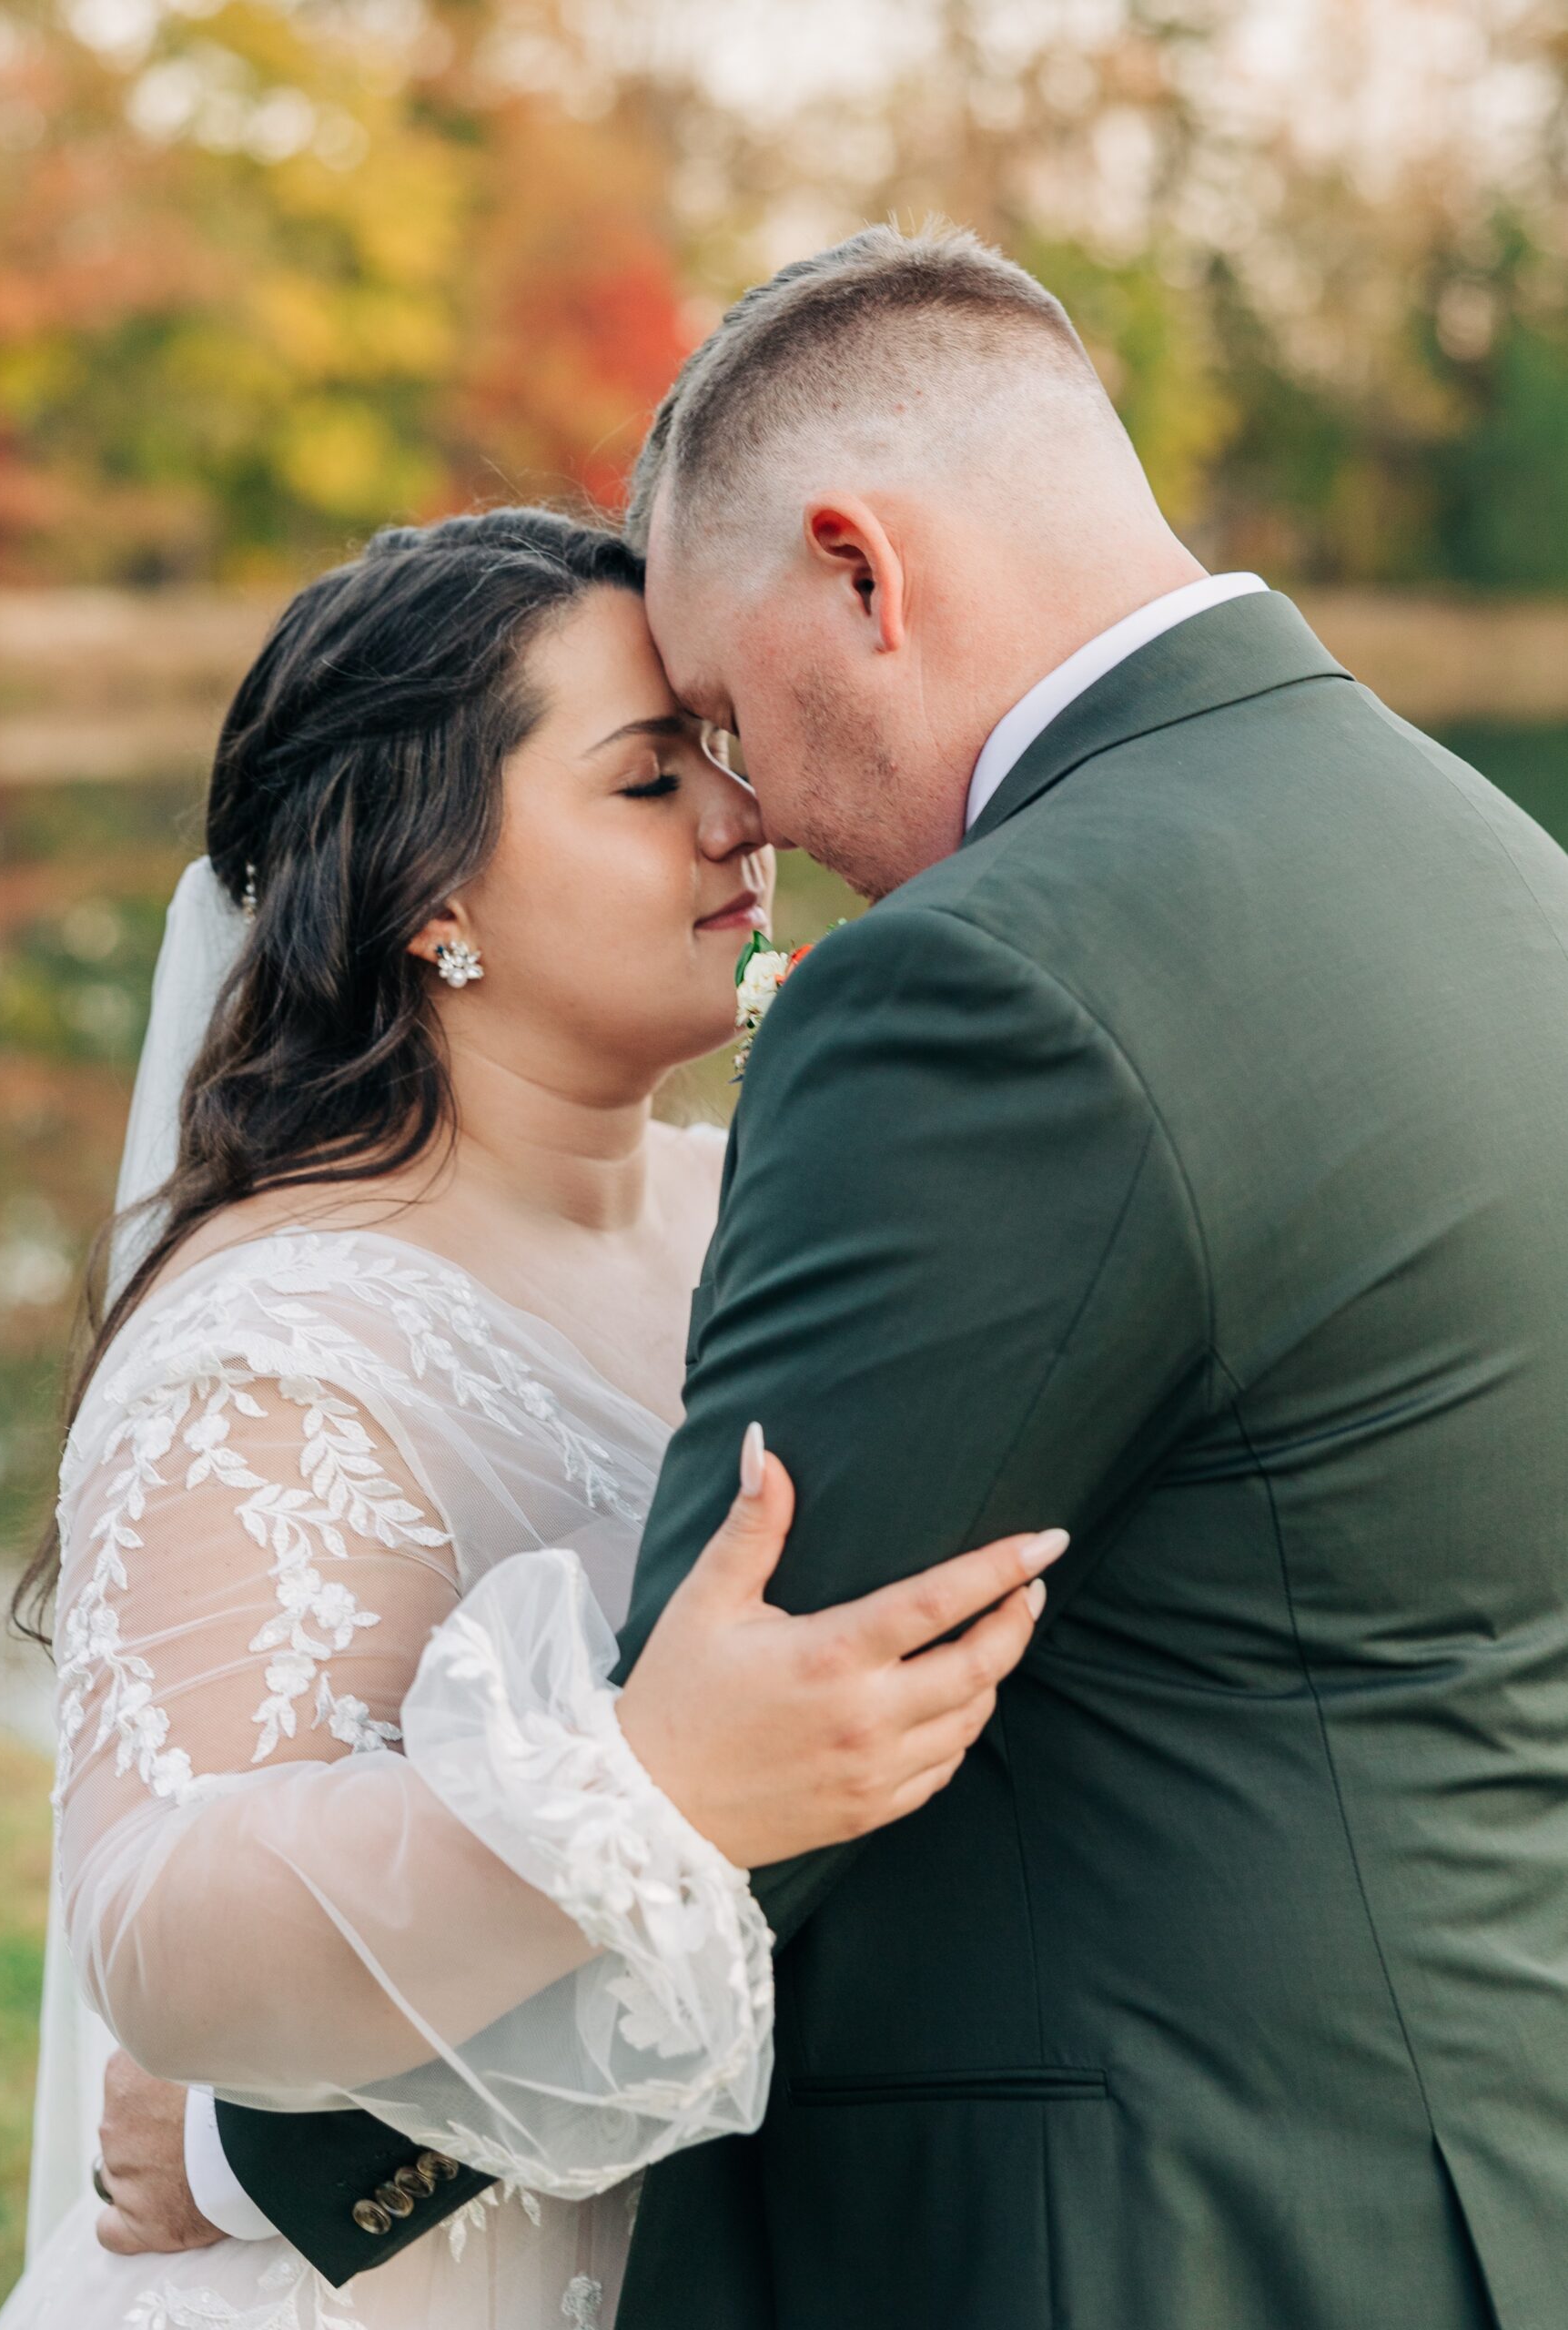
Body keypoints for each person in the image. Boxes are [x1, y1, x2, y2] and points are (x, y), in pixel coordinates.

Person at [178, 227, 1568, 2329]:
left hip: (1121, 2238)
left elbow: (764, 1711)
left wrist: (258, 2138)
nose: (763, 817)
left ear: (863, 571)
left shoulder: (996, 981)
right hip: (1468, 2176)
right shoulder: (1489, 868)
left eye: (728, 712)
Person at [0, 505, 1059, 2330]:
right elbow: (152, 1919)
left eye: (718, 756)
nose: (744, 819)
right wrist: (639, 1790)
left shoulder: (774, 1208)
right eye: (650, 781)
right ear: (433, 890)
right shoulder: (283, 1332)